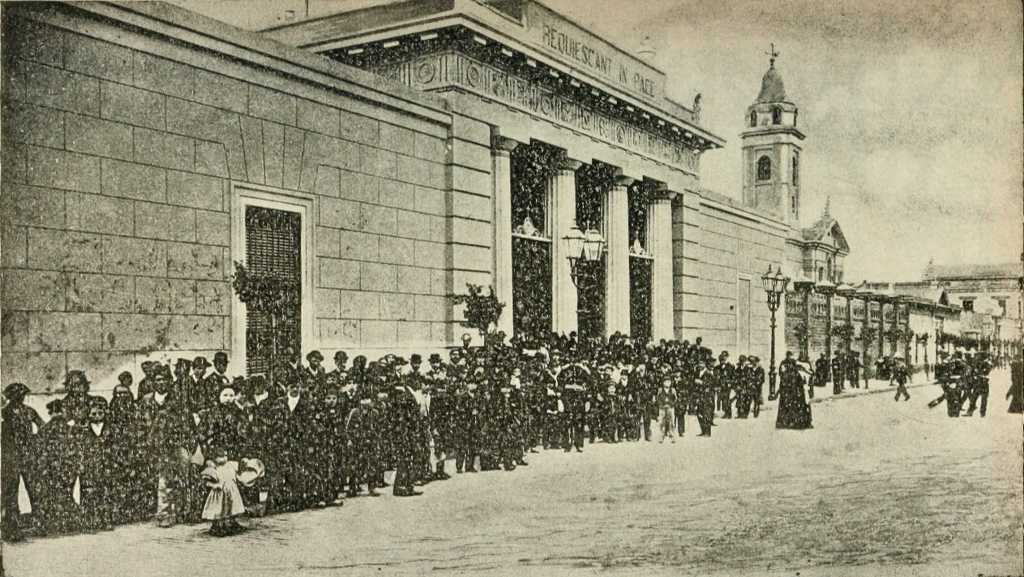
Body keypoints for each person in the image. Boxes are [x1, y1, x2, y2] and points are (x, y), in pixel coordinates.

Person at [2, 382, 44, 541]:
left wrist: (35, 441)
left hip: (27, 455)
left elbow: (42, 427)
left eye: (20, 394)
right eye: (15, 395)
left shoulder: (29, 411)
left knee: (34, 488)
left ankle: (39, 522)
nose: (18, 397)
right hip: (11, 456)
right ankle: (12, 525)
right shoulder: (5, 413)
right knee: (11, 491)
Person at [200, 446, 262, 536]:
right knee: (219, 508)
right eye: (220, 456)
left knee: (232, 507)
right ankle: (217, 526)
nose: (224, 458)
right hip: (220, 492)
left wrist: (245, 466)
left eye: (225, 456)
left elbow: (240, 469)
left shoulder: (231, 465)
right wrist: (214, 485)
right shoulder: (214, 468)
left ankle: (232, 523)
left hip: (232, 490)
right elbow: (207, 479)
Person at [777, 354, 813, 430]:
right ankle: (794, 422)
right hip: (794, 393)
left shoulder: (795, 373)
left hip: (794, 393)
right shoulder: (794, 373)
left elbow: (805, 380)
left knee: (793, 407)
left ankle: (790, 422)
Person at [655, 377, 677, 443]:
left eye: (669, 382)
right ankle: (661, 436)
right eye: (665, 382)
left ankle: (672, 436)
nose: (667, 383)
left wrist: (671, 404)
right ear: (663, 383)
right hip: (662, 408)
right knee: (662, 422)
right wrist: (661, 405)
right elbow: (658, 398)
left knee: (672, 422)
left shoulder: (673, 390)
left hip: (670, 407)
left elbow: (675, 399)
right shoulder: (660, 390)